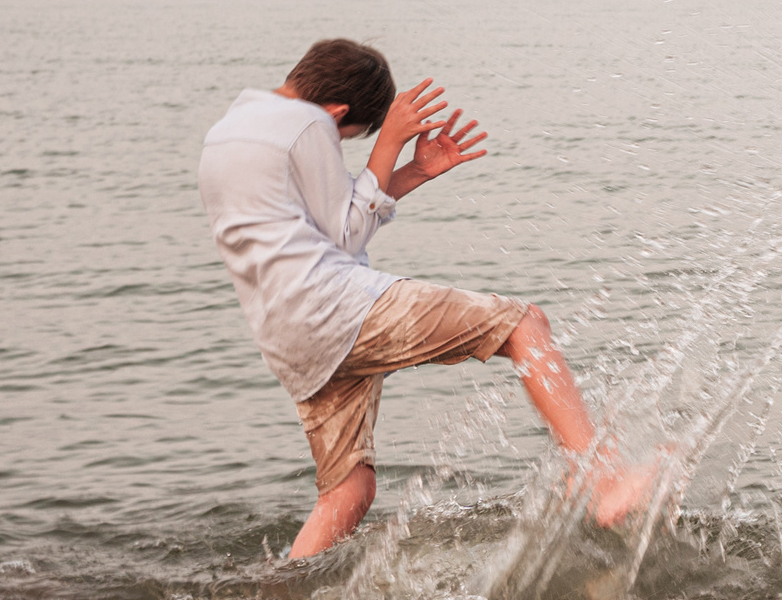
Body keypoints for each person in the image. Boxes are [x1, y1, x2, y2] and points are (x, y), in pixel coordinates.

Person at [198, 38, 647, 558]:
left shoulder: (232, 127)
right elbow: (344, 234)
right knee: (524, 324)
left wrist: (413, 172)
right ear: (338, 112)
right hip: (336, 308)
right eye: (350, 137)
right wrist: (388, 142)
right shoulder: (307, 123)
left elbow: (322, 222)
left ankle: (282, 599)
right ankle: (601, 476)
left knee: (348, 491)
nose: (339, 144)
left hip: (289, 339)